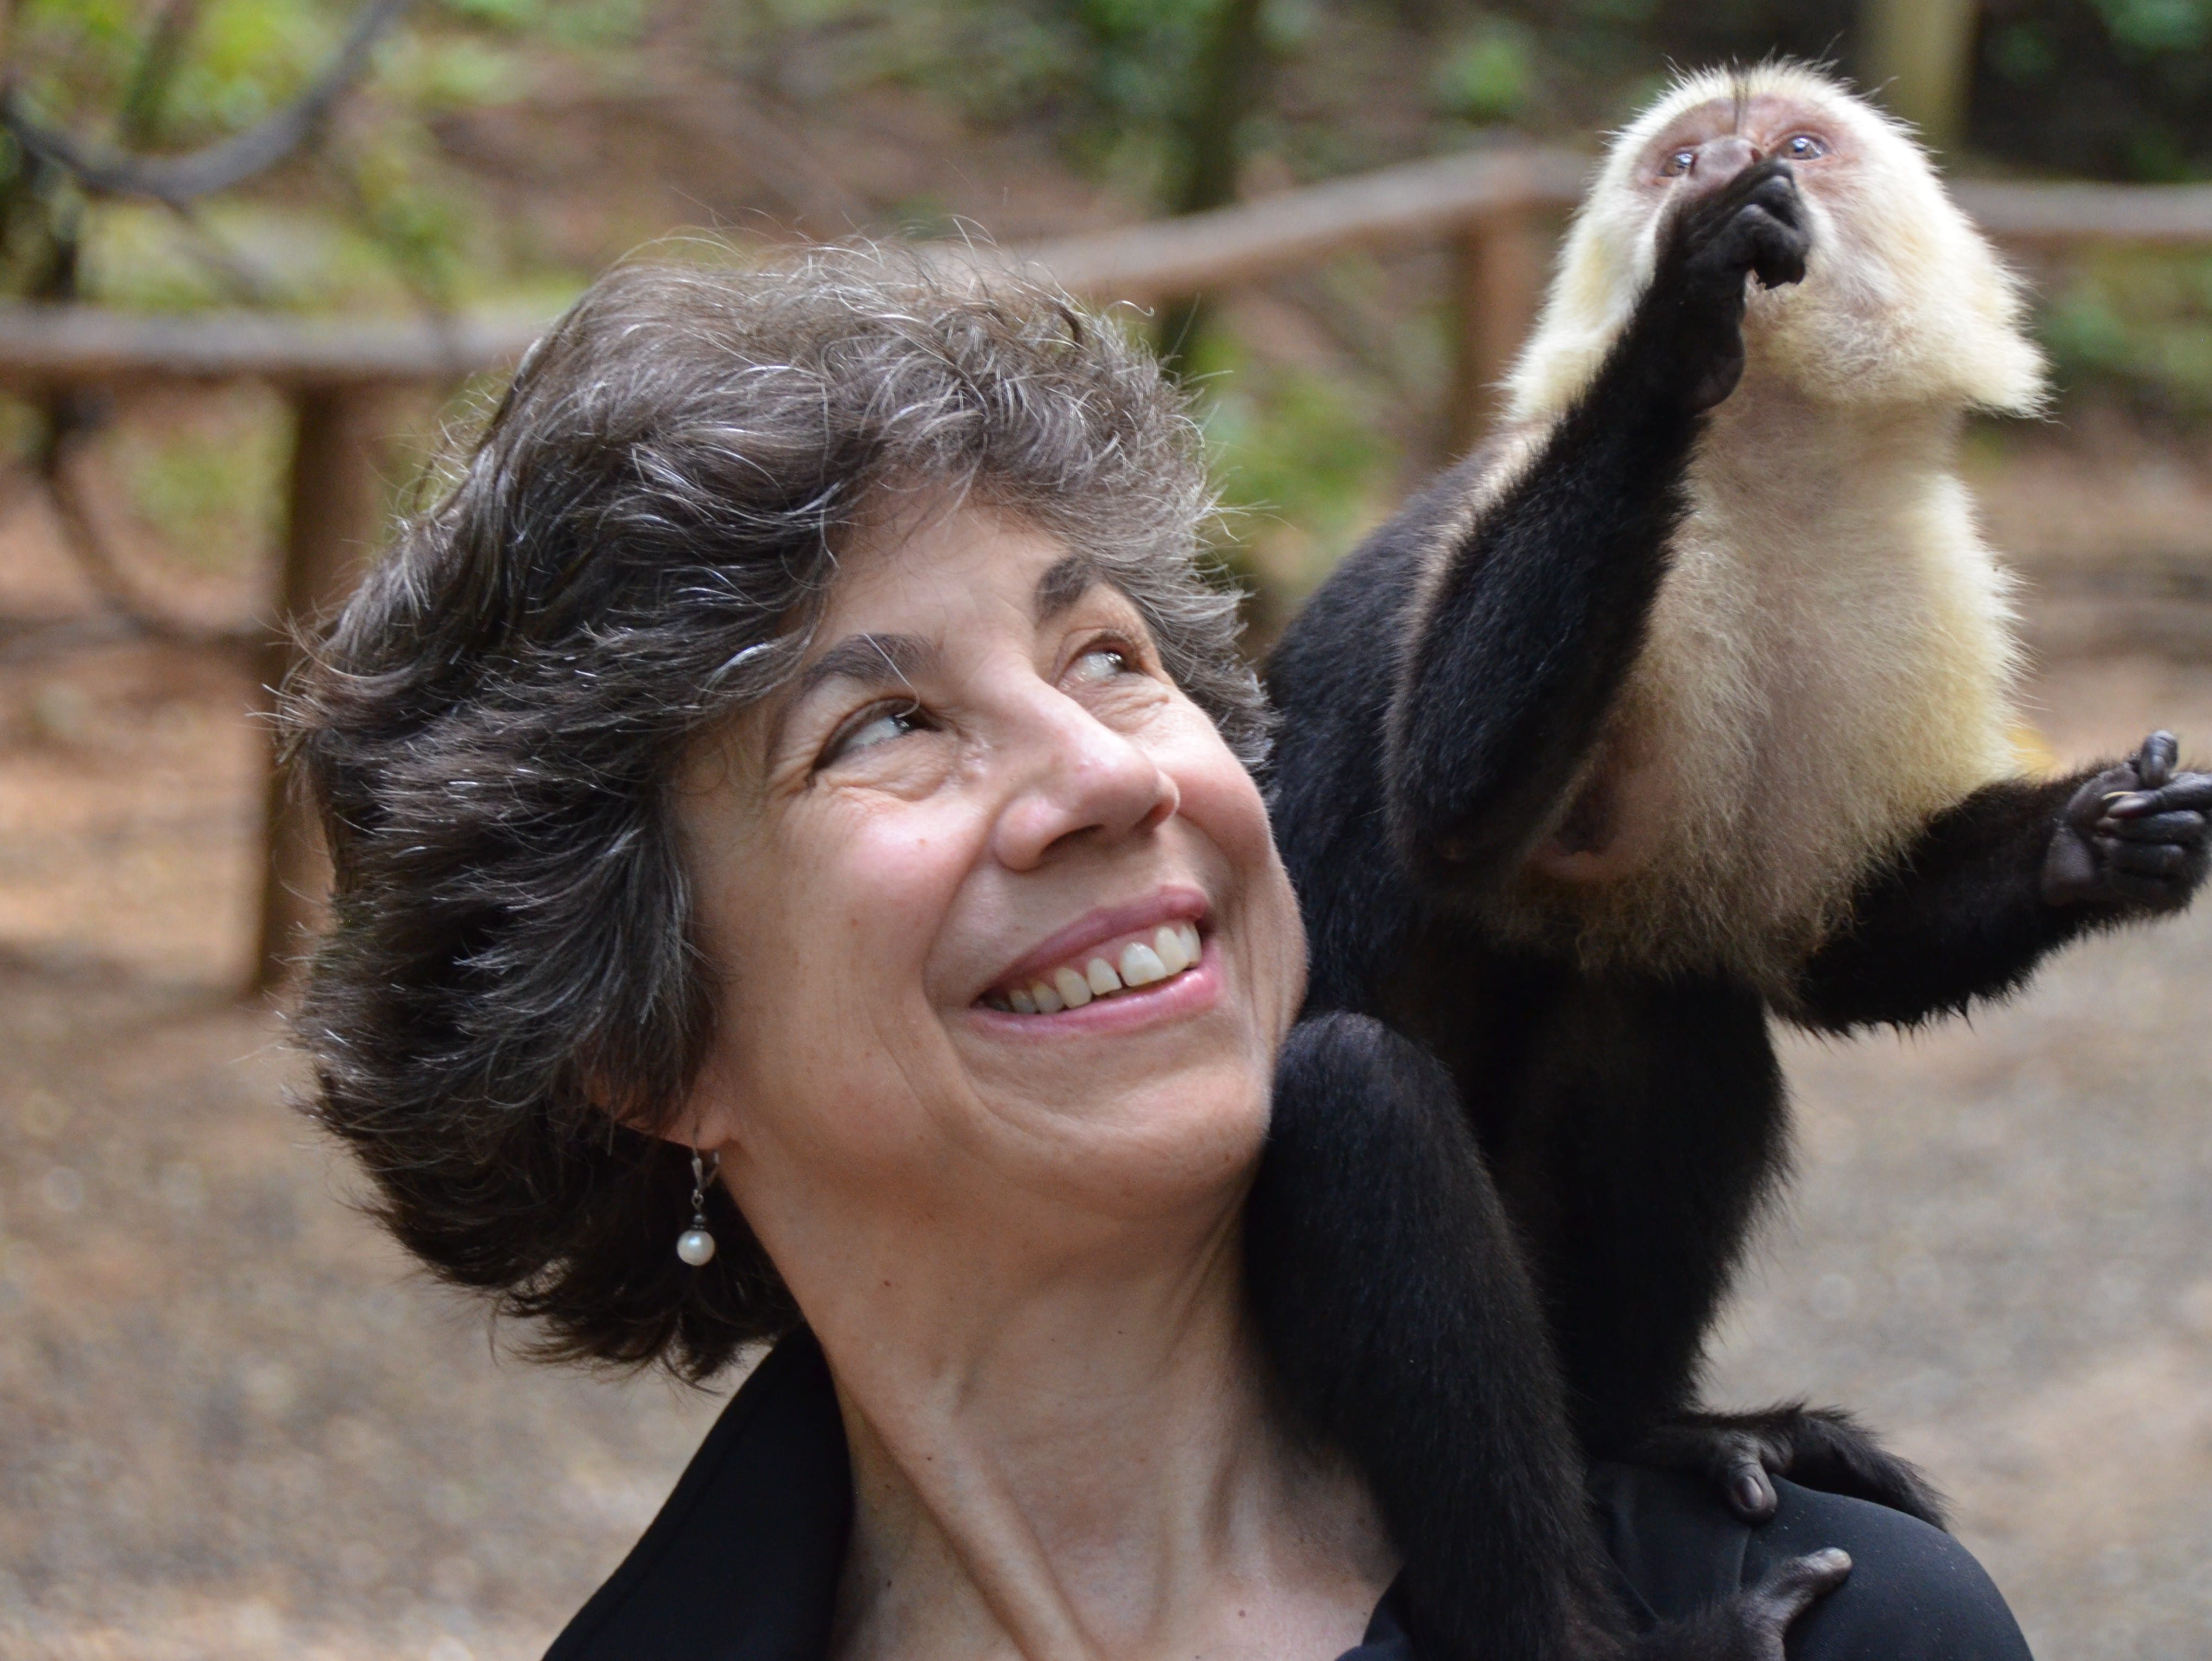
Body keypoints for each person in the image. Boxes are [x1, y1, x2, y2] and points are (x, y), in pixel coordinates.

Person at [287, 246, 2035, 1661]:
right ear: (642, 1047)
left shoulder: (1846, 1628)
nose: (1109, 774)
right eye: (886, 726)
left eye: (1108, 657)